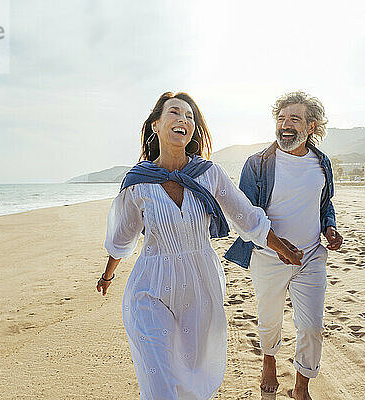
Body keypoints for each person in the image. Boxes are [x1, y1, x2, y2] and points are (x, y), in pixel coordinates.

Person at [97, 91, 303, 400]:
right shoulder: (137, 183)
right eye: (175, 113)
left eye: (190, 116)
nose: (183, 119)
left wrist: (278, 245)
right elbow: (121, 239)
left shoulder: (209, 174)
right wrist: (108, 274)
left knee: (192, 377)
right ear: (156, 125)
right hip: (150, 287)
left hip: (199, 286)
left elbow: (245, 217)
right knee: (160, 384)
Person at [225, 91, 343, 400]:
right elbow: (244, 216)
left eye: (294, 119)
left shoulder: (321, 162)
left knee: (312, 326)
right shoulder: (257, 164)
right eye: (281, 119)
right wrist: (280, 248)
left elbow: (324, 203)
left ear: (311, 126)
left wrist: (330, 226)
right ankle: (269, 360)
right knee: (270, 319)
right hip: (268, 257)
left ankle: (301, 389)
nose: (285, 125)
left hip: (310, 256)